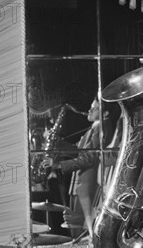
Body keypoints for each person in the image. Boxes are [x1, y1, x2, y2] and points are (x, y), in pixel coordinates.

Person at [44, 97, 114, 236]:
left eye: (94, 108)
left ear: (105, 114)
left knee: (80, 228)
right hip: (79, 184)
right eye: (90, 107)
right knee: (74, 224)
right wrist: (59, 143)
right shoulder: (94, 128)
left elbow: (90, 158)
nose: (89, 110)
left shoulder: (102, 128)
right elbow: (79, 150)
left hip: (87, 184)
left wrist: (59, 165)